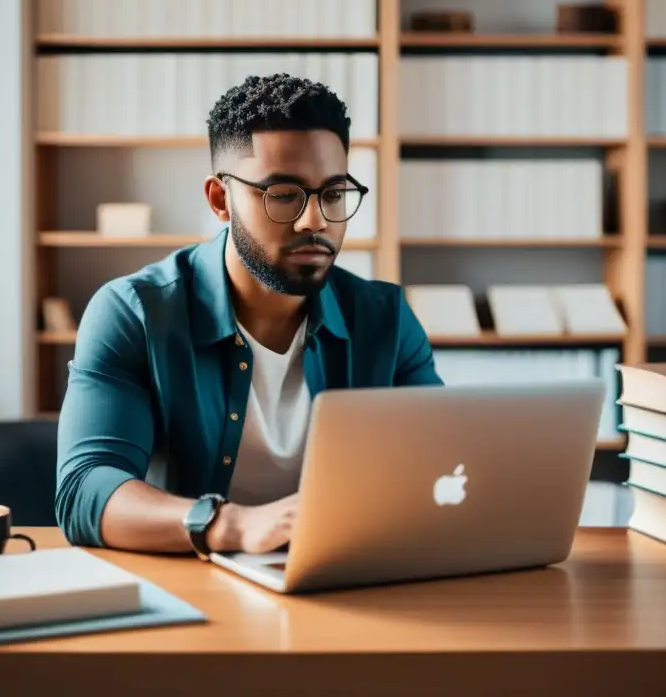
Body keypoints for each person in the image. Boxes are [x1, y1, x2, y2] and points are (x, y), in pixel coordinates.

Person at [55, 73, 443, 559]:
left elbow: (441, 468)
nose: (314, 220)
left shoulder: (385, 319)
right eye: (284, 195)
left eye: (333, 195)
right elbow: (84, 490)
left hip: (345, 579)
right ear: (221, 200)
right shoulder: (134, 313)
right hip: (192, 591)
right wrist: (230, 526)